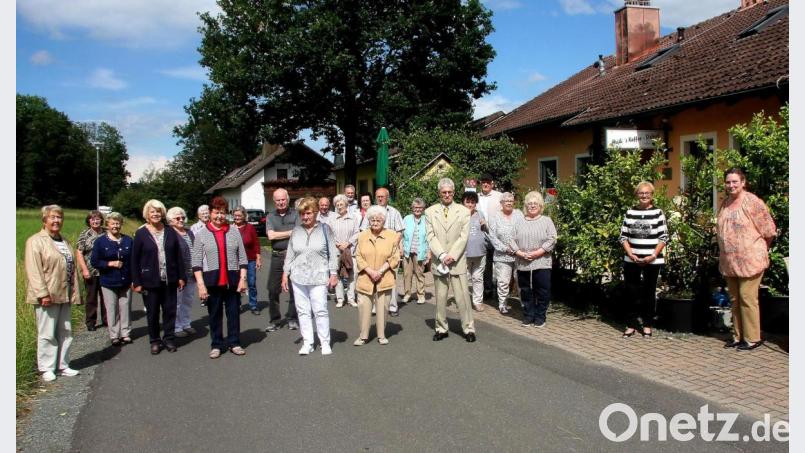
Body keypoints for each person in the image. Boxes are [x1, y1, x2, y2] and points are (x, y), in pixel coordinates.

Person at [717, 168, 776, 351]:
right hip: (730, 261)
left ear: (743, 182)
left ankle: (752, 338)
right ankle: (738, 336)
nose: (731, 185)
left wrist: (760, 248)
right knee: (734, 298)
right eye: (728, 182)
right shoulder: (725, 203)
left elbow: (768, 230)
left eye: (735, 181)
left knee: (747, 297)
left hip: (751, 260)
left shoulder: (752, 202)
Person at [25, 205, 82, 382]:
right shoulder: (35, 241)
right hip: (47, 295)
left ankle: (63, 365)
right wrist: (43, 294)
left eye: (59, 217)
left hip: (64, 293)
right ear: (44, 220)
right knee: (47, 332)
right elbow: (33, 271)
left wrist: (75, 292)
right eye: (52, 217)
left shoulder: (64, 241)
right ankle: (47, 367)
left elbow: (71, 268)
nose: (57, 220)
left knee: (65, 331)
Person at [192, 197, 249, 358]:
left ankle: (234, 342)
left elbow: (243, 258)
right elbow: (196, 262)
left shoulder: (234, 231)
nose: (219, 216)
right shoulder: (201, 234)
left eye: (222, 213)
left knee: (233, 314)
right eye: (216, 212)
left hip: (232, 280)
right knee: (214, 315)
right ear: (210, 213)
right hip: (212, 281)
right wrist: (201, 285)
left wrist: (242, 279)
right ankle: (216, 344)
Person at [281, 197, 338, 355]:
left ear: (316, 212)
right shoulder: (296, 231)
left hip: (319, 277)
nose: (305, 217)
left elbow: (333, 254)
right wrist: (285, 274)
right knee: (303, 311)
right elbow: (290, 255)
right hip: (298, 278)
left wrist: (333, 273)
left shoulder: (325, 230)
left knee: (320, 310)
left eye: (308, 213)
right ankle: (308, 342)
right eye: (302, 214)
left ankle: (325, 342)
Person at [131, 199, 186, 355]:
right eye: (152, 211)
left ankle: (169, 339)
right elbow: (134, 259)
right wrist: (137, 281)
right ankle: (154, 340)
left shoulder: (170, 231)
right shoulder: (141, 233)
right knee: (153, 312)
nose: (155, 214)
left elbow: (178, 256)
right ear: (147, 214)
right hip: (149, 281)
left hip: (170, 279)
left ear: (162, 213)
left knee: (169, 311)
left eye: (158, 211)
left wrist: (181, 276)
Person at [425, 178, 476, 342]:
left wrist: (452, 255)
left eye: (449, 192)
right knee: (440, 297)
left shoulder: (463, 211)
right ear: (439, 193)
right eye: (444, 192)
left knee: (462, 298)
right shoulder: (430, 212)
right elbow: (430, 236)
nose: (447, 195)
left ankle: (468, 328)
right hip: (439, 261)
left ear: (454, 193)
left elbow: (464, 236)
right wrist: (441, 255)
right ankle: (441, 328)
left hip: (457, 260)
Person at [619, 182, 669, 338]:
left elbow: (663, 237)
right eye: (641, 193)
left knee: (649, 292)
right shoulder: (630, 212)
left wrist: (653, 255)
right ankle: (631, 324)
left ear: (652, 195)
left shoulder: (658, 213)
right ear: (637, 194)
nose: (644, 196)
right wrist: (631, 254)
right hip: (631, 259)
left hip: (652, 260)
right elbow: (623, 237)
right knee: (631, 293)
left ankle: (647, 325)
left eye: (647, 193)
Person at [354, 206, 401, 345]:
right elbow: (358, 255)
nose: (375, 223)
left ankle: (381, 335)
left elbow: (395, 256)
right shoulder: (362, 235)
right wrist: (369, 271)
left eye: (378, 220)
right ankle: (363, 336)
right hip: (366, 276)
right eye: (372, 220)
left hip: (384, 276)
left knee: (383, 307)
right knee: (363, 306)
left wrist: (380, 271)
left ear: (383, 221)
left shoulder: (392, 235)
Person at [513, 191, 557, 327]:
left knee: (542, 290)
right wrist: (519, 253)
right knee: (525, 290)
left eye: (535, 203)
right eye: (530, 203)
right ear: (526, 206)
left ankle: (540, 316)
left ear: (540, 205)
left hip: (542, 261)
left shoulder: (546, 221)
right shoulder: (519, 222)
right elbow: (510, 239)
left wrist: (539, 252)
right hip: (523, 261)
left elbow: (552, 238)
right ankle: (528, 315)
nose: (532, 206)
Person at [91, 212, 134, 346]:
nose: (115, 226)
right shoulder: (100, 241)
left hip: (126, 280)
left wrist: (134, 279)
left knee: (125, 307)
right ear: (107, 225)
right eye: (113, 223)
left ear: (121, 224)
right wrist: (110, 264)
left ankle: (125, 333)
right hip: (108, 281)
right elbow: (94, 261)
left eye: (118, 223)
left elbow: (133, 261)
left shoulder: (128, 240)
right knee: (111, 308)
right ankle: (114, 335)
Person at [265, 188, 300, 332]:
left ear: (288, 199)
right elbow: (271, 236)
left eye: (283, 199)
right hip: (277, 256)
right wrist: (290, 232)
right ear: (274, 201)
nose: (281, 202)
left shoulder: (296, 214)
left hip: (293, 257)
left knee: (294, 289)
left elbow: (298, 233)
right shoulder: (270, 216)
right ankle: (275, 320)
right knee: (272, 289)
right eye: (278, 200)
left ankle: (292, 318)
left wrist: (280, 233)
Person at [487, 192, 524, 314]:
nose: (508, 202)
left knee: (520, 280)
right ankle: (503, 304)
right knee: (503, 281)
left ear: (514, 202)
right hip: (502, 255)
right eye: (506, 200)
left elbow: (524, 231)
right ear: (501, 203)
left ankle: (524, 303)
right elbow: (492, 236)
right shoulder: (494, 216)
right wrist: (505, 248)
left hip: (519, 254)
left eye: (511, 200)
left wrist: (518, 249)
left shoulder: (519, 214)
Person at [167, 207, 198, 336]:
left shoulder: (189, 232)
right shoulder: (169, 234)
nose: (181, 220)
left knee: (188, 300)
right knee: (177, 301)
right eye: (177, 218)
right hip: (178, 273)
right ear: (170, 220)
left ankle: (186, 323)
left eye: (183, 218)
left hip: (192, 273)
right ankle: (176, 326)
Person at [374, 187, 405, 316]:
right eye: (378, 196)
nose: (380, 198)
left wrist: (395, 246)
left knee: (392, 279)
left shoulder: (394, 212)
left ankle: (392, 306)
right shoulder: (372, 211)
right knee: (375, 279)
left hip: (391, 250)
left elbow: (400, 231)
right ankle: (375, 307)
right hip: (375, 251)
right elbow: (364, 231)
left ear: (387, 198)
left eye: (383, 196)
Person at [75, 210, 107, 331]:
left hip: (105, 270)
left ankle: (107, 320)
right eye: (92, 219)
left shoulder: (106, 233)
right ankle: (91, 322)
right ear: (89, 221)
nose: (95, 221)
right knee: (91, 297)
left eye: (97, 219)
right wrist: (84, 269)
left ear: (101, 220)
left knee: (106, 297)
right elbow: (79, 252)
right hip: (90, 270)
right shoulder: (85, 234)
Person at [330, 194, 360, 308]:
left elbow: (357, 233)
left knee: (352, 274)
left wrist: (347, 243)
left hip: (350, 251)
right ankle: (340, 299)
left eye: (341, 204)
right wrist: (338, 244)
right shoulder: (332, 219)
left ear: (346, 205)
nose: (339, 206)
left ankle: (351, 298)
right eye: (337, 204)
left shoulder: (353, 218)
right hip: (337, 251)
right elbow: (330, 234)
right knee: (338, 275)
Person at [232, 206, 262, 315]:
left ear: (244, 216)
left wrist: (258, 258)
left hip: (250, 259)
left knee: (251, 283)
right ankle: (237, 304)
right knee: (236, 283)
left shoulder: (250, 228)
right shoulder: (230, 228)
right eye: (235, 215)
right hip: (235, 261)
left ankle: (253, 305)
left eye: (239, 215)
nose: (237, 217)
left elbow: (256, 243)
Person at [401, 198, 430, 305]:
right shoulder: (407, 218)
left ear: (423, 209)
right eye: (415, 207)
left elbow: (429, 238)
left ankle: (421, 295)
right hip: (407, 251)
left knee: (419, 274)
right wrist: (400, 248)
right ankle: (407, 294)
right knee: (407, 274)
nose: (417, 209)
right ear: (412, 208)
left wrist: (428, 253)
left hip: (420, 251)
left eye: (419, 207)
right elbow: (401, 235)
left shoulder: (426, 219)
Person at [477, 174, 503, 297]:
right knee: (486, 264)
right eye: (483, 182)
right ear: (481, 184)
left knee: (499, 263)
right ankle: (487, 290)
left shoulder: (499, 196)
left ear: (492, 183)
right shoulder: (476, 197)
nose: (485, 184)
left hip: (497, 234)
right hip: (482, 234)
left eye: (488, 182)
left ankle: (500, 291)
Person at [462, 191, 488, 312]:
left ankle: (477, 302)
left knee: (478, 278)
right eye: (468, 202)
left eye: (473, 202)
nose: (470, 204)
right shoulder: (459, 215)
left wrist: (485, 225)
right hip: (464, 253)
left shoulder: (480, 214)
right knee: (464, 278)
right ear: (463, 202)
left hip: (480, 252)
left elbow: (486, 231)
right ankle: (464, 301)